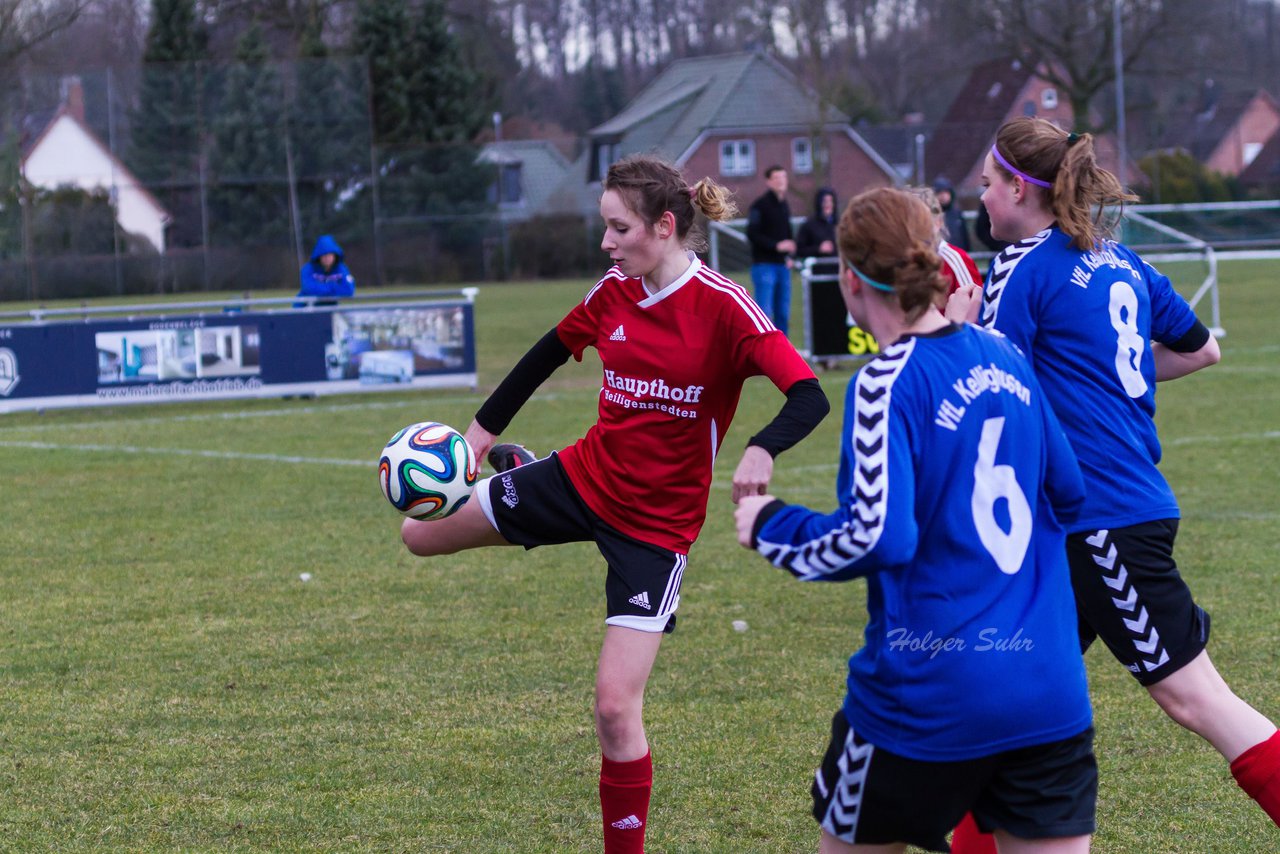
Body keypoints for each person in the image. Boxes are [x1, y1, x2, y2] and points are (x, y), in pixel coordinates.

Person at [400, 153, 830, 853]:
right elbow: (547, 351)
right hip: (578, 480)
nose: (605, 243)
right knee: (415, 537)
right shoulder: (613, 291)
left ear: (663, 227)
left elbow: (809, 394)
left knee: (612, 706)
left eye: (617, 228)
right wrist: (476, 438)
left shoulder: (725, 309)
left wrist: (760, 449)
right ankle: (522, 470)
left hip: (654, 534)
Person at [735, 186, 1096, 854]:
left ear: (849, 278)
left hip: (930, 695)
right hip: (1047, 689)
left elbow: (878, 534)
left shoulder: (887, 381)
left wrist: (769, 523)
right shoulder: (1009, 357)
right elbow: (1070, 494)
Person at [952, 115, 1280, 841]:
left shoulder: (1021, 267)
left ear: (1018, 189)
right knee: (1003, 698)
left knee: (1198, 700)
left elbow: (993, 390)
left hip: (1098, 519)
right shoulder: (1119, 259)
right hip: (1103, 513)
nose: (980, 199)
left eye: (986, 184)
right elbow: (1201, 351)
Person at [746, 165, 796, 334]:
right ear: (768, 182)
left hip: (783, 266)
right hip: (764, 266)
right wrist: (776, 246)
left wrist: (788, 254)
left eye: (783, 177)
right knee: (764, 314)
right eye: (776, 178)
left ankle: (784, 354)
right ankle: (763, 352)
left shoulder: (784, 205)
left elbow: (787, 231)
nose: (781, 181)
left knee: (783, 313)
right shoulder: (759, 206)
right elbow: (752, 234)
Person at [906, 185, 981, 295]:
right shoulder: (902, 260)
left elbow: (974, 304)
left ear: (938, 222)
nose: (914, 229)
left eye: (922, 221)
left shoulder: (955, 259)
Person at [297, 235, 355, 305]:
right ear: (318, 256)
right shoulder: (308, 269)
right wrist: (333, 286)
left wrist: (321, 288)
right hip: (306, 308)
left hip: (330, 309)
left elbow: (348, 291)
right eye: (324, 255)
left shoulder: (341, 269)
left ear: (335, 256)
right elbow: (309, 289)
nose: (327, 258)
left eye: (330, 255)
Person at [796, 187, 838, 260]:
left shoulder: (839, 225)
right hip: (817, 268)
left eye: (831, 201)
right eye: (825, 201)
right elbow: (799, 250)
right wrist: (818, 249)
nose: (828, 204)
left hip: (837, 267)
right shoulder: (808, 225)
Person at [932, 175, 970, 252]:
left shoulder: (957, 213)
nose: (943, 196)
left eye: (946, 192)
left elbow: (964, 237)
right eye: (940, 193)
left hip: (958, 254)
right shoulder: (932, 214)